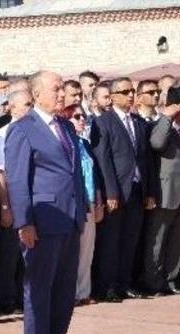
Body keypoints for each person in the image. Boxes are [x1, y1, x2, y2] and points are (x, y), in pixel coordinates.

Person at [4, 70, 87, 334]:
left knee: (64, 287)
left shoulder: (65, 126)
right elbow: (16, 179)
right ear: (37, 94)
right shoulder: (23, 129)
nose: (62, 93)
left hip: (70, 217)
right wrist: (24, 222)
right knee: (39, 286)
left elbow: (73, 171)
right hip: (42, 220)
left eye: (63, 88)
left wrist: (82, 208)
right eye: (56, 89)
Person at [91, 77, 154, 302]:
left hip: (137, 189)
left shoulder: (138, 122)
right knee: (111, 242)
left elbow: (146, 159)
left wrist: (149, 191)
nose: (130, 95)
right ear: (113, 96)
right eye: (124, 91)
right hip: (116, 191)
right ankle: (107, 286)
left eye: (132, 91)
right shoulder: (103, 122)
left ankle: (125, 283)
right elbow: (103, 158)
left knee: (130, 241)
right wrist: (110, 192)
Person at [142, 87, 180, 296]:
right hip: (166, 193)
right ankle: (154, 283)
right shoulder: (161, 126)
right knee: (157, 240)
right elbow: (157, 144)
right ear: (175, 109)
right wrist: (166, 118)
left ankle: (171, 278)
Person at [0, 89, 32, 314]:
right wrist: (5, 206)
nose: (29, 108)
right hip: (13, 203)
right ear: (12, 107)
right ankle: (7, 300)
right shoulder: (3, 134)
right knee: (10, 256)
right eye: (26, 104)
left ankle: (26, 298)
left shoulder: (36, 132)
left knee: (29, 254)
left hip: (34, 203)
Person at [61, 104, 102, 306]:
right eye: (76, 116)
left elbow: (94, 173)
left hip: (90, 201)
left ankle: (83, 292)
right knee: (72, 250)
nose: (81, 120)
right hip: (72, 202)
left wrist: (99, 200)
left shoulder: (84, 143)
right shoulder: (63, 144)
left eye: (83, 116)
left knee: (87, 249)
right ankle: (69, 292)